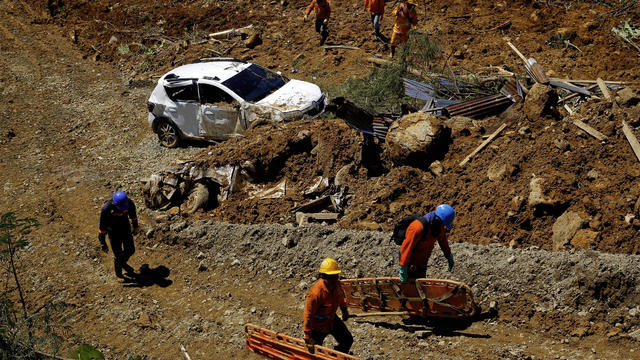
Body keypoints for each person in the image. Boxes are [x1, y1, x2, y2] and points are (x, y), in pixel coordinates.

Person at [303, 258, 353, 354]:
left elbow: (341, 297)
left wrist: (344, 310)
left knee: (347, 340)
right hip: (317, 326)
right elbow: (308, 315)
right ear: (323, 276)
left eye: (336, 275)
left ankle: (336, 355)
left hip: (332, 320)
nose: (335, 278)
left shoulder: (337, 284)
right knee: (315, 352)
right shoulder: (315, 294)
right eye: (332, 276)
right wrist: (308, 337)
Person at [398, 204, 455, 282]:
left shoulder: (438, 226)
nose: (444, 226)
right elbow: (407, 248)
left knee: (421, 288)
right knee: (409, 289)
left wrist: (448, 254)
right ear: (439, 219)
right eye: (443, 224)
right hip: (410, 263)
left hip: (422, 263)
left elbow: (442, 240)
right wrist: (403, 267)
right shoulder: (417, 228)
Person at [98, 191, 138, 281]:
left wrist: (135, 227)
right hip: (113, 232)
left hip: (125, 229)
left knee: (131, 250)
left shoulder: (129, 203)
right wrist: (102, 242)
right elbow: (102, 228)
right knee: (118, 254)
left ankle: (122, 263)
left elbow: (133, 216)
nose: (122, 210)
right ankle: (119, 274)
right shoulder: (106, 209)